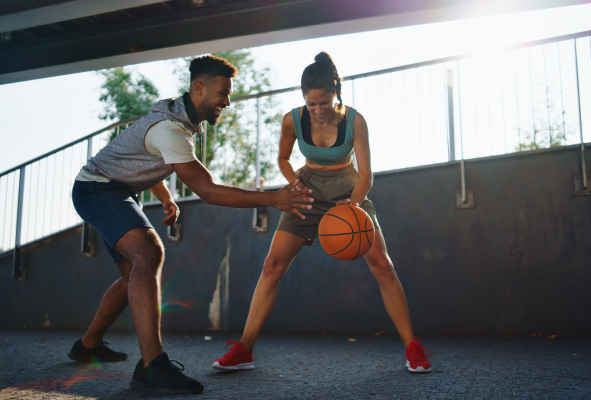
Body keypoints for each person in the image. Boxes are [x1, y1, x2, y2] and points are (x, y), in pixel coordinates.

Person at [68, 55, 314, 394]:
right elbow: (208, 191)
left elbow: (143, 158)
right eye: (223, 93)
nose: (227, 102)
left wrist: (166, 197)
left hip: (114, 188)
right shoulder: (171, 128)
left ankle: (88, 344)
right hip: (97, 189)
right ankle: (152, 366)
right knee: (149, 253)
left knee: (132, 275)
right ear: (199, 87)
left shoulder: (177, 121)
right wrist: (272, 198)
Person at [212, 52, 432, 374]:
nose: (316, 111)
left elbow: (367, 174)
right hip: (308, 189)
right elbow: (284, 159)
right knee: (272, 265)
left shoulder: (356, 120)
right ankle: (244, 350)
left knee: (383, 265)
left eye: (323, 103)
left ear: (335, 94)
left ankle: (413, 348)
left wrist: (354, 204)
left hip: (349, 189)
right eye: (311, 104)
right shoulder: (293, 119)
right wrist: (294, 185)